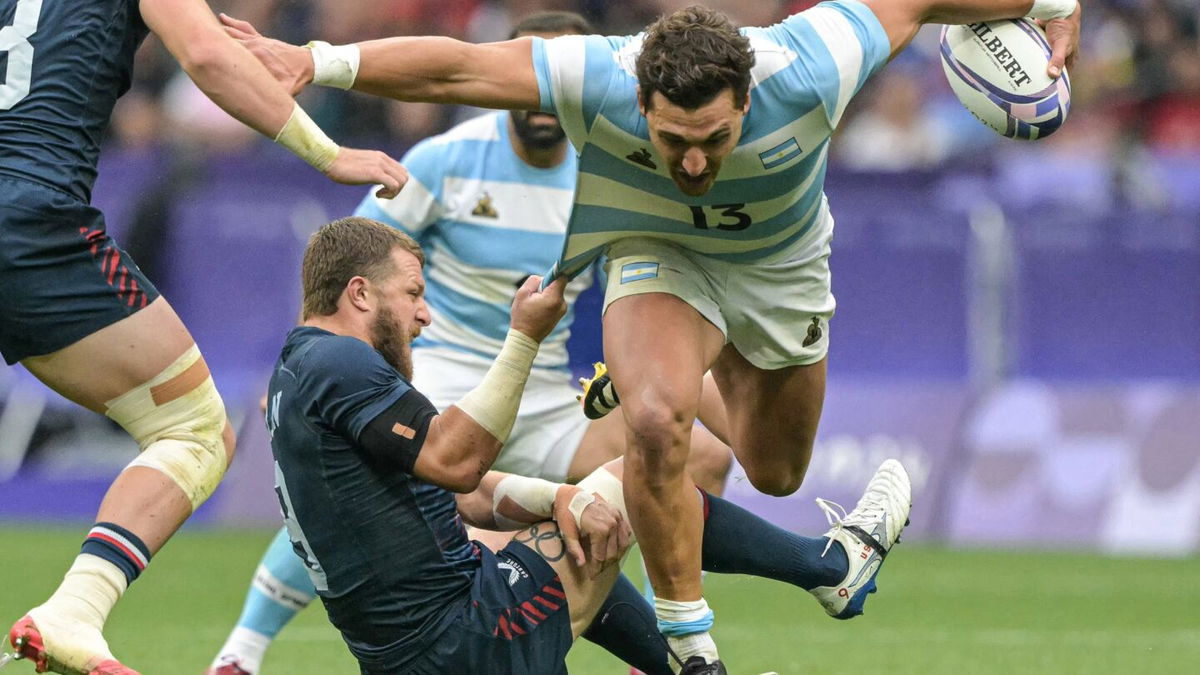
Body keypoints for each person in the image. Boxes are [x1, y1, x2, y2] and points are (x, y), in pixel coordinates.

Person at [220, 0, 1079, 670]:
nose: (695, 163)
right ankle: (690, 641)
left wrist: (1050, 8)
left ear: (749, 98)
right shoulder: (586, 82)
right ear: (639, 102)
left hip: (777, 273)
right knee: (657, 427)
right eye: (672, 140)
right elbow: (459, 65)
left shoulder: (819, 62)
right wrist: (320, 60)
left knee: (766, 467)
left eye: (714, 139)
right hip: (642, 264)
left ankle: (830, 561)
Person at [204, 11, 732, 675]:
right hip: (444, 374)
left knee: (695, 455)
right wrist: (307, 375)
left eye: (562, 85)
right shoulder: (447, 160)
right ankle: (242, 650)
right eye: (539, 80)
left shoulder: (610, 176)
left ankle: (671, 639)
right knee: (360, 478)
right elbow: (347, 271)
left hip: (539, 388)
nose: (546, 101)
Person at [242, 215, 911, 675]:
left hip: (416, 649)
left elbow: (466, 490)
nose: (424, 313)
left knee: (573, 518)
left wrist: (558, 495)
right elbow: (457, 458)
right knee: (634, 475)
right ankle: (829, 565)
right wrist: (526, 336)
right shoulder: (342, 365)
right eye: (413, 293)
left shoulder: (303, 371)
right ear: (358, 292)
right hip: (462, 640)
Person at [0, 0, 407, 672]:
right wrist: (328, 153)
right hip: (32, 220)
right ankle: (75, 609)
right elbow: (210, 57)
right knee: (191, 426)